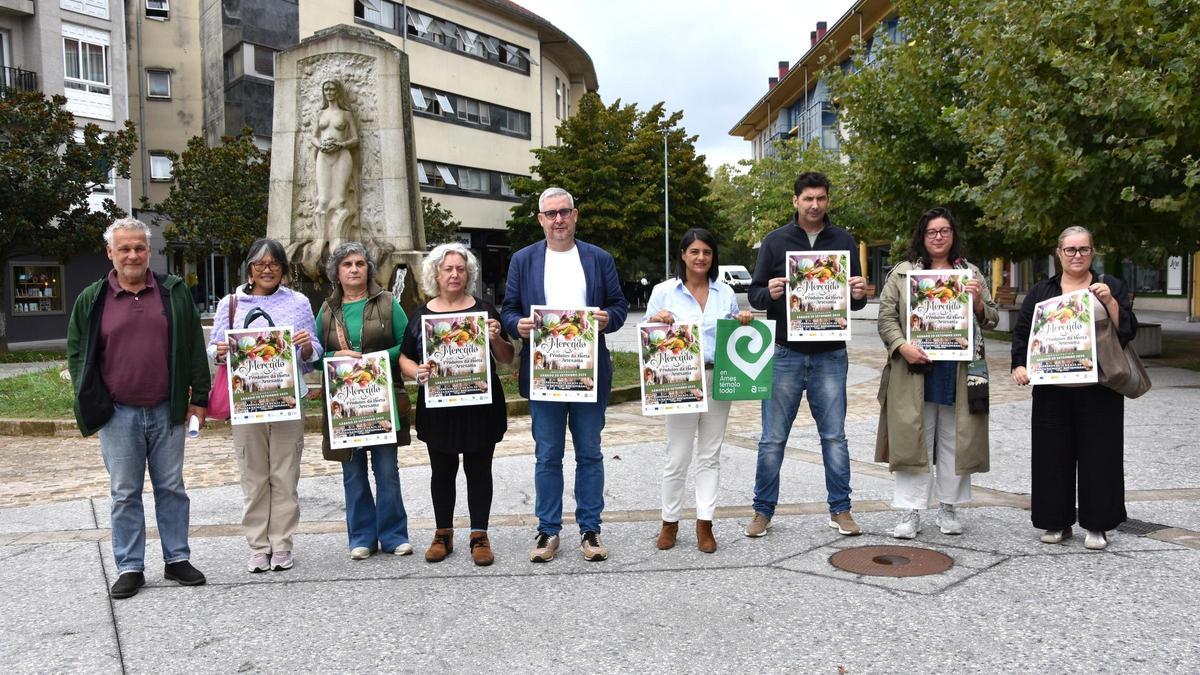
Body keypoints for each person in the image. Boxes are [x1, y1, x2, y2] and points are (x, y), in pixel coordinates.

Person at [66, 218, 210, 599]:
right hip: (118, 414)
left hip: (168, 409)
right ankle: (130, 566)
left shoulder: (173, 292)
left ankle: (177, 559)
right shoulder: (93, 298)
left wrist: (200, 399)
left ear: (149, 251)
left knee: (172, 488)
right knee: (125, 493)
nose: (132, 255)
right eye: (124, 248)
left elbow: (195, 346)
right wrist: (91, 399)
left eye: (139, 248)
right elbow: (78, 353)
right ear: (110, 253)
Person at [501, 186, 629, 562]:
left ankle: (590, 530)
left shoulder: (598, 258)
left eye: (564, 212)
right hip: (544, 377)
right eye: (551, 213)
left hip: (589, 375)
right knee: (547, 456)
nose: (558, 219)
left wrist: (609, 320)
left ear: (575, 215)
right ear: (541, 219)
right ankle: (548, 532)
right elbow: (509, 310)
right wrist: (518, 325)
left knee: (590, 453)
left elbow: (618, 305)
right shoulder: (523, 261)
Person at [745, 171, 868, 538]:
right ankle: (762, 511)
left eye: (821, 198)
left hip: (831, 354)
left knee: (834, 436)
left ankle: (841, 510)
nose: (815, 205)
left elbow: (855, 303)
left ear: (828, 200)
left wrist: (860, 293)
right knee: (772, 438)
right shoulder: (774, 241)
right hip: (785, 352)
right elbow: (754, 295)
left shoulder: (844, 241)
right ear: (795, 201)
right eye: (808, 198)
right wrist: (770, 293)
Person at [874, 207, 998, 539]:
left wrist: (979, 303)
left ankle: (948, 507)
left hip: (959, 370)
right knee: (913, 439)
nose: (939, 237)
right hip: (915, 368)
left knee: (955, 439)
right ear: (922, 237)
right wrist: (902, 346)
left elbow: (993, 318)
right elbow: (886, 317)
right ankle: (911, 512)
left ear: (953, 235)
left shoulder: (970, 273)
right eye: (932, 232)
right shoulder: (902, 274)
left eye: (945, 231)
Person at [1011, 226, 1137, 550]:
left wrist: (1110, 303)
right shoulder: (1043, 291)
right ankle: (1056, 522)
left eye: (1083, 249)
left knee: (1101, 456)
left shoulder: (1109, 286)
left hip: (1099, 386)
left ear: (1093, 252)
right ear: (1059, 253)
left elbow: (1127, 331)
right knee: (1051, 455)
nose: (1077, 255)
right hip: (1052, 388)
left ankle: (1098, 525)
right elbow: (1023, 332)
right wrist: (1019, 365)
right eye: (1070, 250)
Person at [209, 239, 322, 573]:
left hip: (286, 401)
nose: (267, 269)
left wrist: (304, 348)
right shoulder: (230, 303)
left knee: (285, 475)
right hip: (247, 401)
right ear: (249, 268)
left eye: (274, 263)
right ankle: (259, 545)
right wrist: (221, 351)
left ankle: (282, 543)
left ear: (284, 269)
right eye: (260, 264)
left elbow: (313, 352)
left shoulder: (299, 302)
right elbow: (213, 349)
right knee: (254, 474)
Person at [399, 243, 514, 566]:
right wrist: (416, 372)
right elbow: (405, 358)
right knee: (442, 471)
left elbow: (506, 358)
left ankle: (480, 535)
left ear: (468, 274)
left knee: (479, 471)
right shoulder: (422, 314)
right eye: (447, 269)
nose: (454, 274)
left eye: (460, 269)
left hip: (480, 405)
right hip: (438, 406)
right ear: (435, 273)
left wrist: (495, 338)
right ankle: (443, 534)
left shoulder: (484, 311)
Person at [644, 228, 752, 553]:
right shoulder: (664, 292)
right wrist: (656, 320)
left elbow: (733, 331)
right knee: (677, 456)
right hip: (680, 379)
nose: (701, 257)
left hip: (717, 377)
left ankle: (705, 523)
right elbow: (648, 337)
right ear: (683, 255)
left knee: (710, 455)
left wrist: (743, 320)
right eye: (694, 252)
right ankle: (669, 522)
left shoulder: (724, 293)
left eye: (706, 252)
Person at [316, 242, 413, 560]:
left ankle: (394, 534)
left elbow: (407, 343)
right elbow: (316, 356)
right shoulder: (328, 310)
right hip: (344, 404)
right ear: (337, 272)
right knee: (352, 470)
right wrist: (335, 355)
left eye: (359, 263)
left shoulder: (387, 302)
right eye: (347, 265)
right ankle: (361, 536)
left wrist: (380, 359)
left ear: (368, 268)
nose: (354, 269)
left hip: (381, 399)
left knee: (387, 470)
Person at [311, 79, 359, 240]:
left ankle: (339, 239)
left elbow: (355, 139)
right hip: (323, 156)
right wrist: (320, 145)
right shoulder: (321, 114)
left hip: (342, 156)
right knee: (323, 200)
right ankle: (321, 239)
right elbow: (313, 137)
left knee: (339, 200)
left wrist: (341, 144)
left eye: (332, 89)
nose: (329, 92)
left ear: (338, 91)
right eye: (326, 90)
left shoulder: (346, 114)